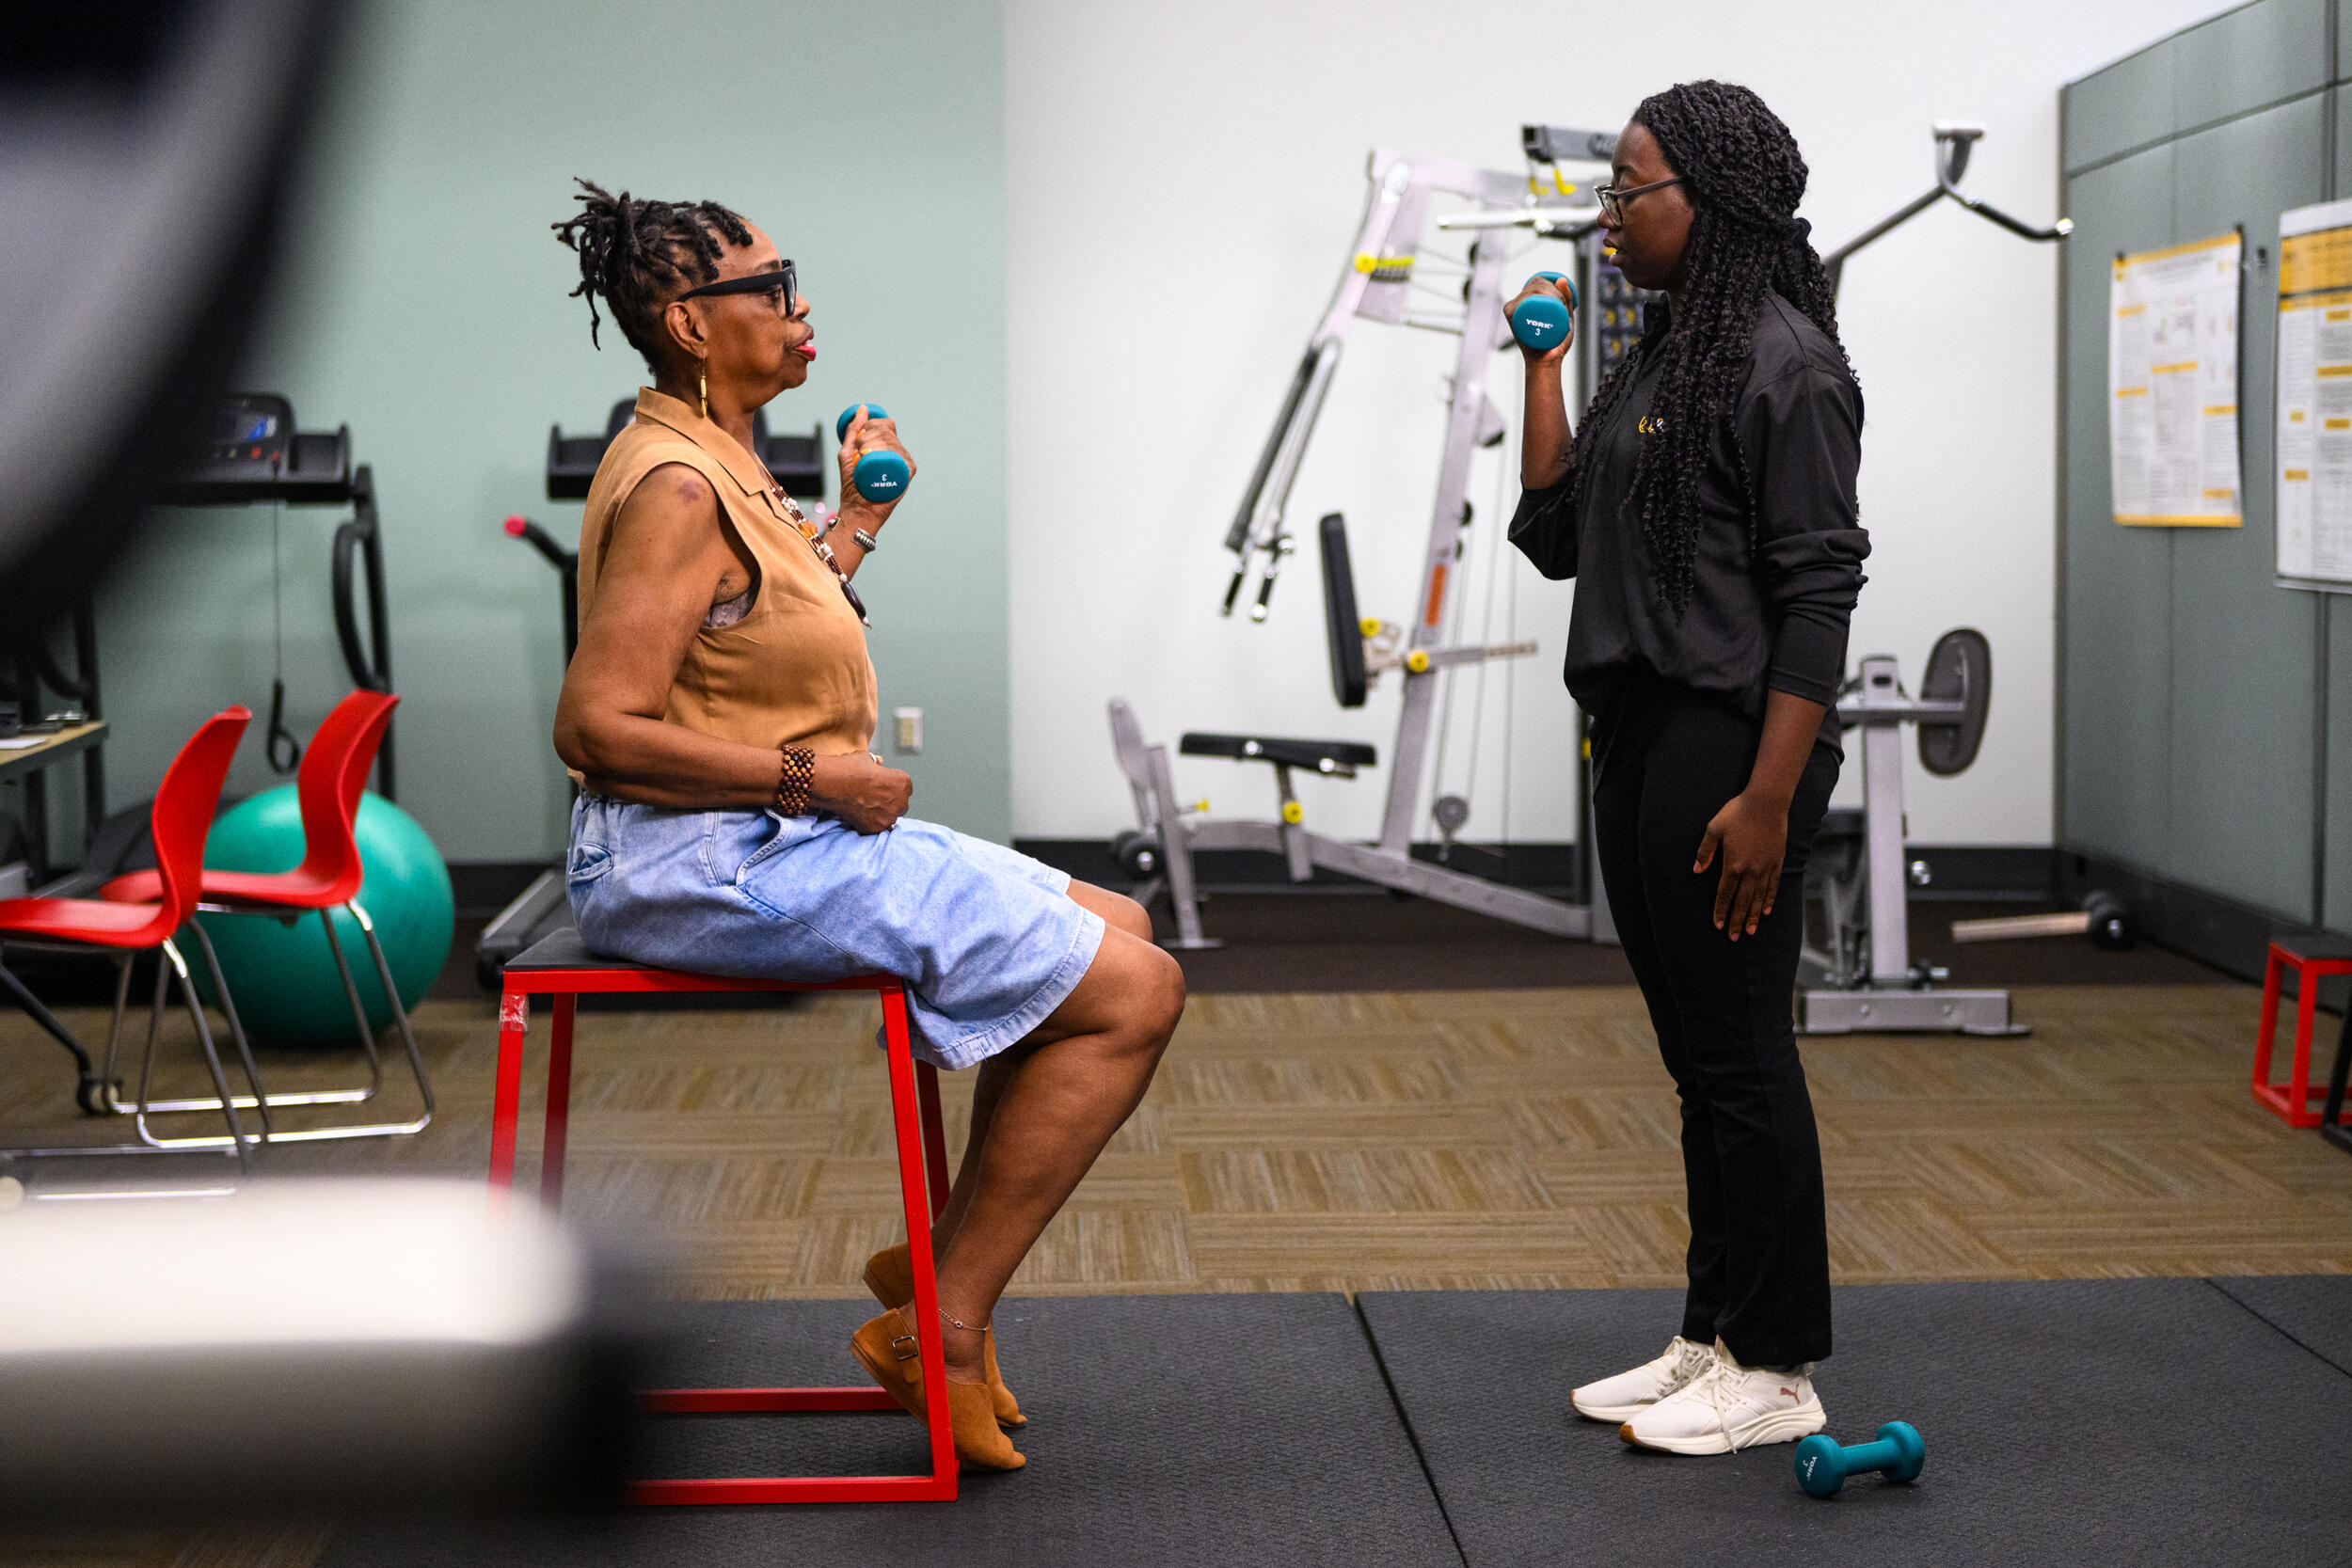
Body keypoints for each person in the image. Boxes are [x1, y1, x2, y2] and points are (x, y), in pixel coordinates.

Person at [547, 181, 1185, 1472]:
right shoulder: (677, 483)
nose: (800, 309)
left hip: (760, 835)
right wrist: (814, 782)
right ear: (687, 318)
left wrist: (855, 524)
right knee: (1136, 990)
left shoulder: (720, 450)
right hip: (697, 855)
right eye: (772, 289)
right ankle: (942, 1320)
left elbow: (749, 622)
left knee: (1112, 927)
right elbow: (598, 727)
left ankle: (948, 1267)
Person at [1506, 83, 1868, 1455]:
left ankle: (1779, 1366)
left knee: (1739, 1052)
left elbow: (1818, 593)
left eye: (1630, 189)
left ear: (1705, 202)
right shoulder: (1662, 354)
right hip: (1643, 728)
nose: (1608, 215)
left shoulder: (1787, 365)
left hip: (1734, 742)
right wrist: (1538, 368)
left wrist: (1772, 796)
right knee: (1693, 1054)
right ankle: (1711, 1333)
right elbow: (1553, 534)